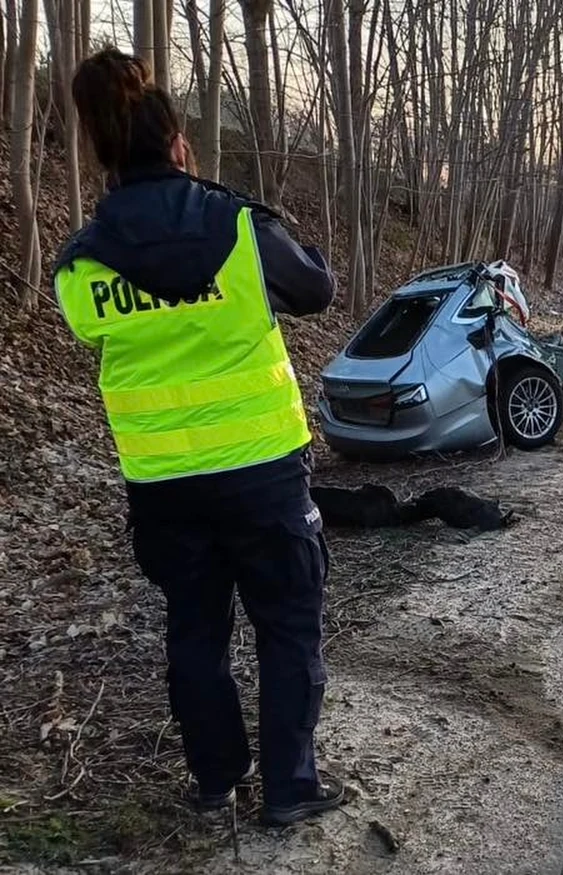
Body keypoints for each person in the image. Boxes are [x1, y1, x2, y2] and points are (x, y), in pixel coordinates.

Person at [53, 47, 343, 827]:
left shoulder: (79, 266)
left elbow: (92, 330)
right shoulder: (239, 226)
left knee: (193, 629)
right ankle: (289, 788)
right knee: (286, 628)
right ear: (180, 142)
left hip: (164, 486)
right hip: (262, 475)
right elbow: (317, 287)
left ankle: (215, 780)